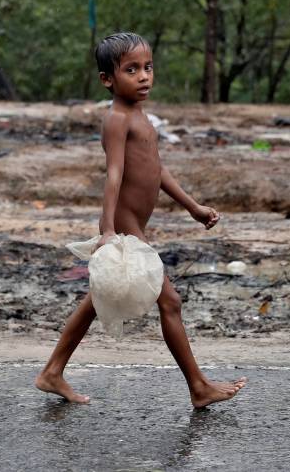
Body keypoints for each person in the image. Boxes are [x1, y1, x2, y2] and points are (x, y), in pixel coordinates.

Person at [35, 32, 247, 408]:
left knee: (96, 298)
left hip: (135, 224)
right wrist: (107, 231)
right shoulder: (117, 119)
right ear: (107, 79)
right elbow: (113, 175)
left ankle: (53, 371)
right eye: (131, 70)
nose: (144, 76)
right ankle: (198, 387)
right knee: (171, 302)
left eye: (147, 67)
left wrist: (193, 207)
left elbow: (156, 169)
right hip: (125, 225)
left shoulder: (138, 114)